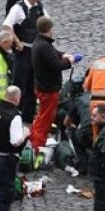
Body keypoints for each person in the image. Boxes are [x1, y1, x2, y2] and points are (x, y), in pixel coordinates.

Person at [29, 16, 78, 151]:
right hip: (48, 89)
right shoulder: (44, 46)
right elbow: (55, 65)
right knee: (45, 119)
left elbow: (54, 54)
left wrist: (64, 55)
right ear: (50, 29)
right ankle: (37, 146)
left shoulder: (39, 43)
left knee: (41, 116)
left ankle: (34, 139)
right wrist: (70, 61)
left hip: (41, 86)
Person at [3, 0, 45, 123]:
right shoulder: (18, 8)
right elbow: (7, 25)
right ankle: (17, 113)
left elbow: (47, 22)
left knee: (34, 82)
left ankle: (29, 114)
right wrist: (16, 41)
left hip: (35, 50)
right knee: (20, 82)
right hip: (23, 51)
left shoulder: (40, 6)